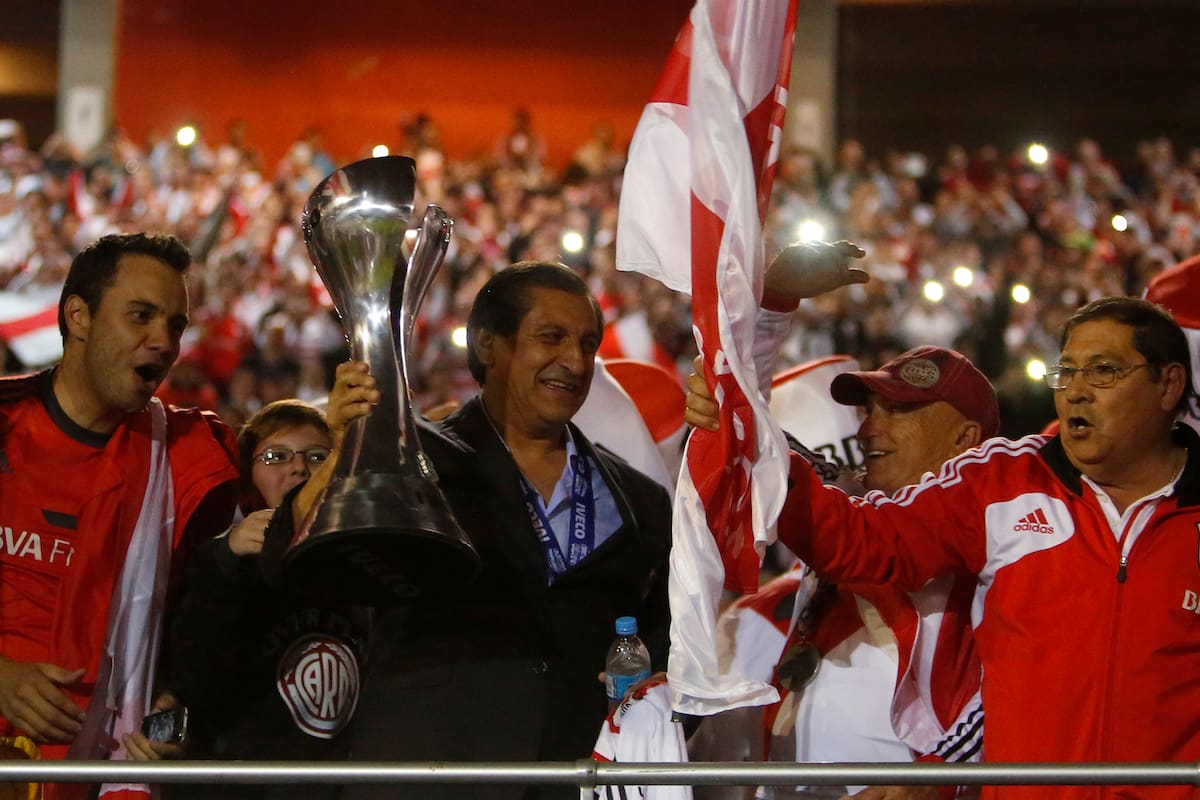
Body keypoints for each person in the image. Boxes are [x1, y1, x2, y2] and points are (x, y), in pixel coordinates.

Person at [265, 261, 673, 800]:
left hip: (579, 778)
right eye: (550, 338)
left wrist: (650, 706)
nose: (574, 362)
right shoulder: (411, 458)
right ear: (487, 345)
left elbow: (664, 644)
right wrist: (343, 452)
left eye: (587, 344)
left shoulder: (639, 496)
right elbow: (287, 561)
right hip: (431, 774)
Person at [765, 295, 1199, 800]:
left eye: (1104, 371)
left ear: (1169, 385)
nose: (1077, 392)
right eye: (1068, 372)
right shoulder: (1000, 481)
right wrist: (757, 443)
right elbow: (860, 541)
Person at [686, 245, 989, 800]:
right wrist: (770, 309)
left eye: (899, 412)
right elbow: (750, 449)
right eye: (870, 410)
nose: (869, 429)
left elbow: (1024, 697)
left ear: (965, 440)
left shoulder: (1003, 539)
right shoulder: (862, 513)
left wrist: (932, 785)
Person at [0, 232, 239, 798]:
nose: (162, 342)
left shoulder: (190, 455)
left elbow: (217, 603)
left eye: (175, 326)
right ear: (78, 316)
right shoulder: (4, 424)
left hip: (87, 778)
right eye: (141, 316)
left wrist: (171, 709)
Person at [164, 392, 371, 800]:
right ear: (245, 482)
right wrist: (227, 562)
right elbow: (192, 679)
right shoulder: (219, 561)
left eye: (317, 457)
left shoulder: (369, 564)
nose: (298, 468)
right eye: (276, 457)